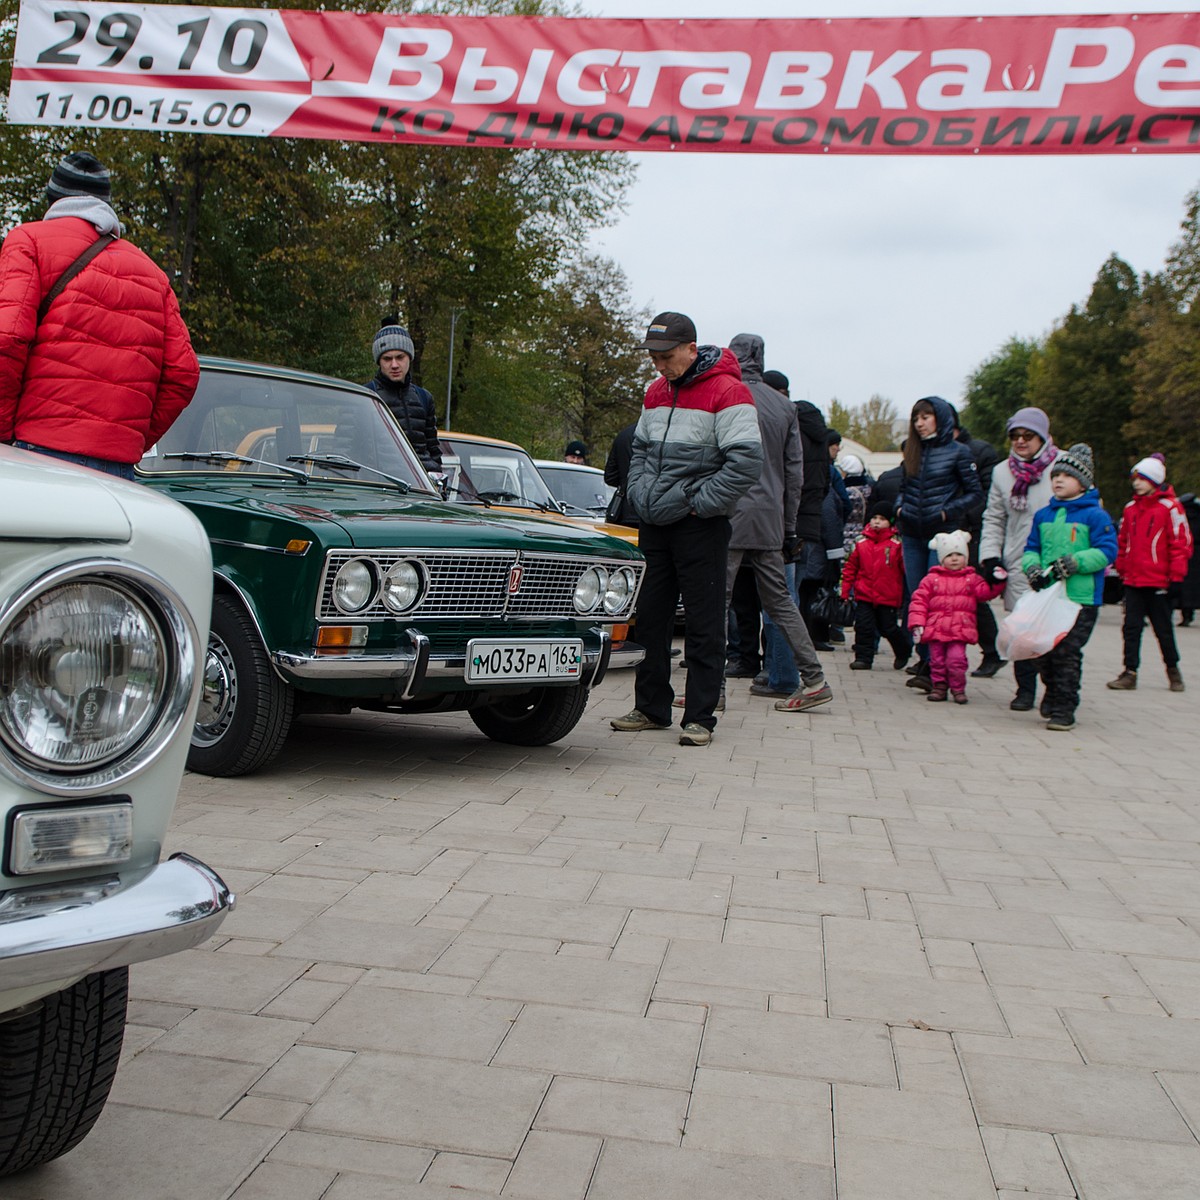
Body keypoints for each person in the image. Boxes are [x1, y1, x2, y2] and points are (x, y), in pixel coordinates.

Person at [610, 312, 762, 747]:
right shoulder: (656, 392)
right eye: (654, 357)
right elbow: (637, 449)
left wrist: (698, 503)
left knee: (704, 623)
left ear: (691, 349)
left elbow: (746, 463)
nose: (660, 365)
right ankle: (651, 707)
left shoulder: (729, 391)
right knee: (651, 619)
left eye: (667, 356)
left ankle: (700, 717)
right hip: (654, 522)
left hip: (701, 526)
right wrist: (639, 492)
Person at [0, 151, 198, 480]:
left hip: (39, 454)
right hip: (119, 469)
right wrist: (128, 437)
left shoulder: (29, 241)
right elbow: (184, 373)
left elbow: (8, 338)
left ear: (54, 199)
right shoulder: (153, 273)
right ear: (105, 204)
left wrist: (4, 432)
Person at [723, 333, 832, 712]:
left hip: (729, 514)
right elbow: (794, 476)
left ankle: (710, 689)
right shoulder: (785, 407)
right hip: (770, 520)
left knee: (716, 602)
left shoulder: (724, 395)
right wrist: (788, 530)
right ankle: (814, 679)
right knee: (782, 603)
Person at [1021, 443, 1118, 731]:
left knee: (1067, 652)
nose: (1058, 481)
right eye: (1055, 476)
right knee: (1044, 652)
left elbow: (1108, 550)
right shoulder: (1044, 515)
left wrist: (1076, 562)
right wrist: (1032, 568)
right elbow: (1031, 548)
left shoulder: (1095, 515)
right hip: (1049, 597)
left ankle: (1065, 708)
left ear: (1084, 482)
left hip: (1081, 597)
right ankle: (1052, 691)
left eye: (1067, 476)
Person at [895, 396, 983, 691]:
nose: (920, 423)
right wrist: (898, 508)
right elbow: (903, 487)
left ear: (940, 418)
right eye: (916, 418)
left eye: (926, 417)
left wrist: (946, 512)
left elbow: (974, 493)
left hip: (941, 538)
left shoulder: (959, 452)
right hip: (911, 533)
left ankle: (937, 666)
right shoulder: (912, 450)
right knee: (916, 597)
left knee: (939, 599)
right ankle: (925, 659)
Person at [979, 407, 1059, 711]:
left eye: (1028, 436)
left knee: (1050, 632)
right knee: (1021, 629)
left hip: (1053, 563)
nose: (1021, 441)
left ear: (1042, 436)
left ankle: (1053, 691)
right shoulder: (1002, 472)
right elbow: (994, 517)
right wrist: (989, 556)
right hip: (1016, 559)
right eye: (1015, 436)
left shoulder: (1062, 466)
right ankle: (1024, 689)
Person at [1107, 454, 1192, 693]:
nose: (1136, 483)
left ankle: (1173, 670)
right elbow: (1122, 541)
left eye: (1142, 478)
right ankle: (1129, 671)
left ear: (1154, 481)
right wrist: (1121, 568)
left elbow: (1180, 543)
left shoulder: (1170, 507)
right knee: (1131, 628)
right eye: (1135, 478)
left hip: (1159, 580)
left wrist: (1176, 577)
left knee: (1163, 628)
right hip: (1134, 579)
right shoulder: (1131, 509)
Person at [908, 530, 1005, 703]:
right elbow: (918, 601)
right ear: (941, 558)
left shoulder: (971, 579)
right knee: (937, 661)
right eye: (949, 555)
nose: (954, 558)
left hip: (959, 630)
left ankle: (958, 688)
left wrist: (997, 582)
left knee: (956, 661)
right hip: (936, 629)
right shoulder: (931, 579)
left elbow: (985, 594)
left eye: (959, 554)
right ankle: (939, 687)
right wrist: (917, 623)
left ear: (966, 557)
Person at [952, 413, 1004, 678]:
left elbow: (986, 496)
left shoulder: (980, 451)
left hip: (972, 532)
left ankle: (993, 652)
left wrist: (967, 519)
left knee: (971, 592)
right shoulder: (932, 452)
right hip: (949, 532)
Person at [841, 501, 912, 671]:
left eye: (882, 519)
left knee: (888, 627)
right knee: (864, 627)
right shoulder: (861, 543)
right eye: (874, 518)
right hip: (864, 594)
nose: (877, 522)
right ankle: (864, 658)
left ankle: (903, 650)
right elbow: (850, 568)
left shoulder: (896, 544)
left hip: (888, 596)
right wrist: (845, 591)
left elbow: (905, 570)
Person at [366, 318, 442, 473]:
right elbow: (347, 450)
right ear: (379, 361)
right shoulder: (365, 397)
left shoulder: (424, 398)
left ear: (409, 358)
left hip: (421, 488)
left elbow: (433, 450)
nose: (394, 365)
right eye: (387, 359)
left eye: (400, 357)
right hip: (382, 486)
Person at [603, 421, 639, 527]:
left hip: (622, 511)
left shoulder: (623, 435)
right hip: (652, 512)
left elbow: (610, 477)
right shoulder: (664, 436)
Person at [1178, 491, 1200, 626]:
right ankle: (1189, 612)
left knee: (1184, 587)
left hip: (1185, 553)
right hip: (1198, 555)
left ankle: (1186, 614)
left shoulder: (1181, 517)